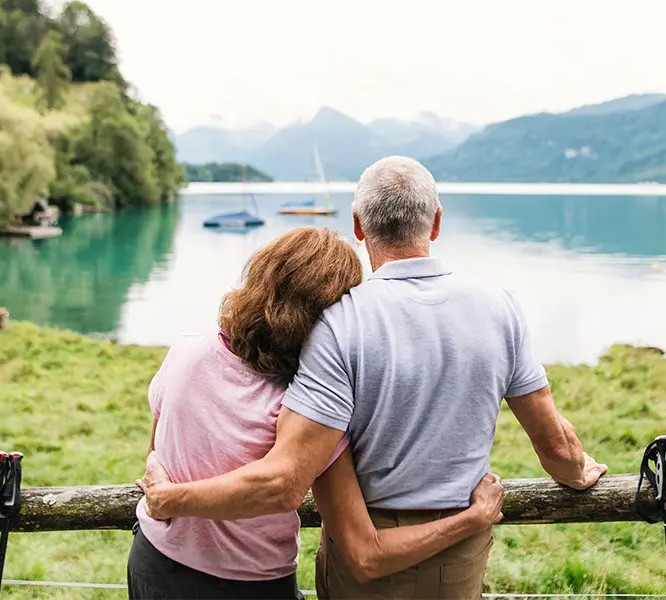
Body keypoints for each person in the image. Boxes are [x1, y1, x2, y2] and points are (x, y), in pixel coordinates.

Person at [139, 157, 608, 600]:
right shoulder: (500, 306)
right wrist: (578, 469)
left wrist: (167, 499)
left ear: (359, 225)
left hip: (350, 541)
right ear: (437, 222)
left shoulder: (338, 324)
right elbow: (555, 446)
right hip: (455, 556)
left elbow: (278, 470)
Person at [129, 226, 506, 600]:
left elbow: (156, 459)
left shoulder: (184, 354)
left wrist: (168, 498)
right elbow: (367, 552)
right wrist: (473, 519)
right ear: (326, 317)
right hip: (247, 584)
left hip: (153, 562)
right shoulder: (307, 414)